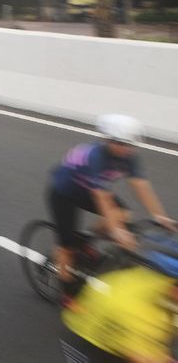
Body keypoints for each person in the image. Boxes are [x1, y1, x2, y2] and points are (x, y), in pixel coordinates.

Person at [48, 114, 176, 300]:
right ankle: (66, 291)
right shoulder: (95, 156)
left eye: (130, 145)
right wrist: (116, 231)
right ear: (107, 139)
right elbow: (102, 196)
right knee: (67, 247)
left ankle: (84, 241)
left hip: (87, 190)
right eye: (120, 143)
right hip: (64, 193)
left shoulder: (130, 157)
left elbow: (141, 185)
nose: (125, 149)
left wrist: (159, 215)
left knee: (123, 214)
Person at [60, 234, 178, 362]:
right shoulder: (138, 314)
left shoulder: (166, 286)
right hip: (89, 333)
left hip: (128, 329)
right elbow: (143, 358)